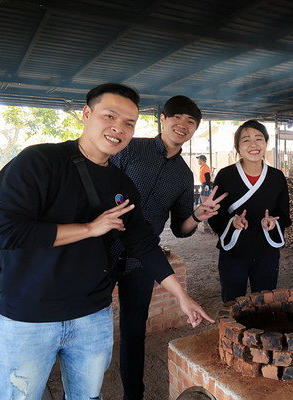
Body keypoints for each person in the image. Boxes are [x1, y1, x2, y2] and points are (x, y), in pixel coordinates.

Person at [0, 83, 214, 400]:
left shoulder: (123, 183)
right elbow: (7, 232)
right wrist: (90, 228)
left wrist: (181, 296)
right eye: (110, 116)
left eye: (128, 123)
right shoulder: (39, 161)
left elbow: (143, 242)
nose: (118, 128)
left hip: (91, 315)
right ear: (86, 113)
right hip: (30, 316)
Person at [110, 95, 224, 400]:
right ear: (162, 118)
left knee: (134, 332)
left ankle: (133, 395)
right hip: (100, 251)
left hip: (142, 261)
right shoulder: (131, 148)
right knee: (87, 325)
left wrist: (197, 217)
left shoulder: (184, 175)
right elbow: (101, 185)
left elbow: (179, 229)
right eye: (177, 117)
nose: (182, 125)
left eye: (191, 122)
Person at [208, 120, 291, 302]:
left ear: (266, 143)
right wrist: (233, 223)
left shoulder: (277, 177)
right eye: (246, 140)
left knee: (265, 304)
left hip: (266, 252)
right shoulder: (225, 175)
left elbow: (284, 215)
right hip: (233, 253)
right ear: (237, 146)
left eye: (259, 139)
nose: (253, 144)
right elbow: (214, 216)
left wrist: (273, 223)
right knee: (232, 303)